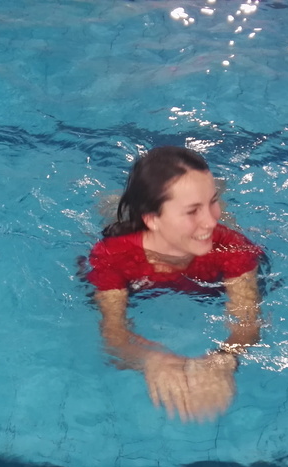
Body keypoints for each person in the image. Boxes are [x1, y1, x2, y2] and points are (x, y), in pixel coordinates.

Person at [87, 146, 263, 423]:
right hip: (142, 239)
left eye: (212, 202)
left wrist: (224, 358)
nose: (211, 220)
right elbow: (114, 336)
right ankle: (118, 203)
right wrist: (151, 360)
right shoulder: (113, 256)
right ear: (153, 219)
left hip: (180, 242)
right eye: (193, 211)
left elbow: (248, 324)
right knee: (114, 213)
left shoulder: (232, 247)